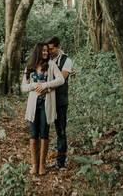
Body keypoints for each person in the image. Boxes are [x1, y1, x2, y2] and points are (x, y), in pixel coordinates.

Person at [21, 42, 64, 176]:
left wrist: (46, 85)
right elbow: (23, 87)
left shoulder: (51, 65)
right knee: (33, 134)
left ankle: (42, 165)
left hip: (46, 104)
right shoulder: (30, 67)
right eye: (43, 51)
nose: (45, 53)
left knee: (44, 133)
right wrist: (34, 86)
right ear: (37, 52)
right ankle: (34, 165)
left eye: (46, 51)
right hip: (34, 105)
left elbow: (61, 79)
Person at [45, 36, 75, 169]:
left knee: (60, 131)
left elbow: (61, 78)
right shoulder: (45, 59)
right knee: (43, 130)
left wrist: (45, 85)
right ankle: (41, 162)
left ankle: (60, 162)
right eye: (48, 49)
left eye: (51, 49)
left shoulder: (66, 60)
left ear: (57, 47)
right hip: (45, 100)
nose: (49, 51)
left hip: (60, 100)